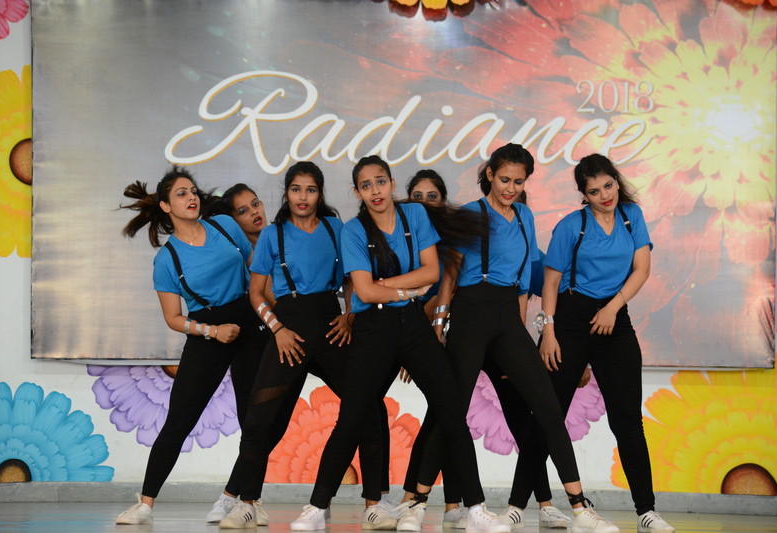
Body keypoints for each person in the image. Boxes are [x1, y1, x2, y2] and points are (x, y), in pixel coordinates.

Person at [290, 155, 509, 533]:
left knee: (451, 411)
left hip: (413, 326)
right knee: (352, 417)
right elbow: (363, 291)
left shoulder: (415, 216)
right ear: (357, 192)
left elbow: (431, 271)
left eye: (380, 181)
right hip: (372, 330)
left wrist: (385, 287)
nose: (375, 190)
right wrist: (407, 289)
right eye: (366, 185)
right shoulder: (353, 230)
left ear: (392, 184)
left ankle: (475, 509)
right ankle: (317, 507)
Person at [405, 144, 618, 533]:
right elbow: (450, 275)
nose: (511, 188)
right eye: (505, 179)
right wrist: (438, 322)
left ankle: (579, 508)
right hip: (471, 312)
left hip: (507, 317)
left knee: (549, 409)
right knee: (451, 410)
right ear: (490, 174)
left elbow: (522, 284)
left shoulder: (525, 216)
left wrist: (516, 341)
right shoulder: (471, 214)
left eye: (519, 182)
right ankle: (416, 503)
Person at [217, 161, 395, 529]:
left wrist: (350, 315)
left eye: (310, 190)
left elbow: (352, 280)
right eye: (296, 189)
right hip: (290, 334)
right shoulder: (273, 235)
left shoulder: (335, 228)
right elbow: (255, 293)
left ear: (320, 194)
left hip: (330, 329)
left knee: (369, 407)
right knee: (257, 420)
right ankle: (247, 503)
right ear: (286, 193)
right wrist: (278, 329)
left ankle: (375, 503)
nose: (303, 197)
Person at [513, 154, 674, 533]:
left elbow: (642, 269)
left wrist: (613, 308)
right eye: (594, 191)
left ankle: (647, 512)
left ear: (616, 181)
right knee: (548, 418)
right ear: (583, 195)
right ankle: (515, 507)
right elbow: (551, 281)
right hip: (569, 320)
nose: (604, 195)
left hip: (614, 318)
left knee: (628, 422)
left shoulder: (632, 216)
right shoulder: (572, 226)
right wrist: (548, 331)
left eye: (608, 185)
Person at [115, 167, 269, 525]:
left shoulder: (225, 226)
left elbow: (257, 274)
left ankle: (250, 501)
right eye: (181, 193)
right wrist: (212, 332)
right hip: (208, 332)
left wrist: (276, 319)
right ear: (166, 206)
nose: (191, 197)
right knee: (179, 421)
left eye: (193, 191)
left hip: (250, 323)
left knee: (254, 420)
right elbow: (173, 318)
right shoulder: (166, 259)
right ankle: (145, 504)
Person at [199, 183, 281, 524]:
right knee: (253, 425)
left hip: (284, 338)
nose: (254, 213)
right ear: (232, 221)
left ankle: (234, 494)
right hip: (250, 342)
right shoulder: (234, 255)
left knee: (274, 425)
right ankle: (243, 498)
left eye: (256, 204)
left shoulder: (279, 240)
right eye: (243, 211)